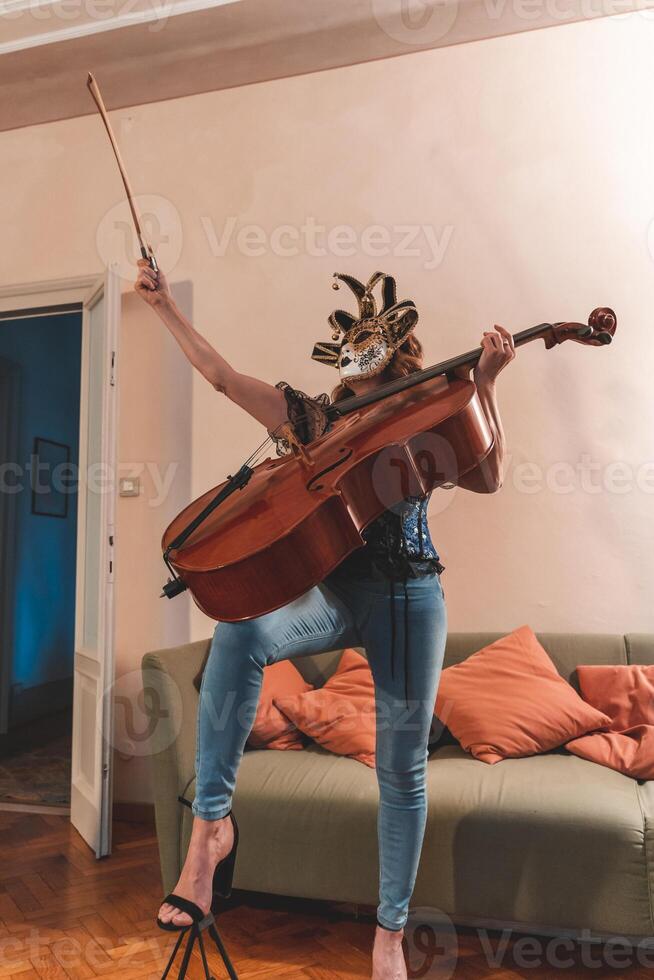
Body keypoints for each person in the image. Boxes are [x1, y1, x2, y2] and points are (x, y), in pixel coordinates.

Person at [135, 263, 515, 980]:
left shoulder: (432, 407)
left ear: (398, 350)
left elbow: (488, 477)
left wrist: (487, 383)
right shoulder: (316, 418)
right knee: (239, 631)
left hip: (409, 594)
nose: (357, 354)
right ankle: (210, 830)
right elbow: (221, 377)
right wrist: (163, 309)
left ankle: (390, 934)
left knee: (402, 772)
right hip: (335, 589)